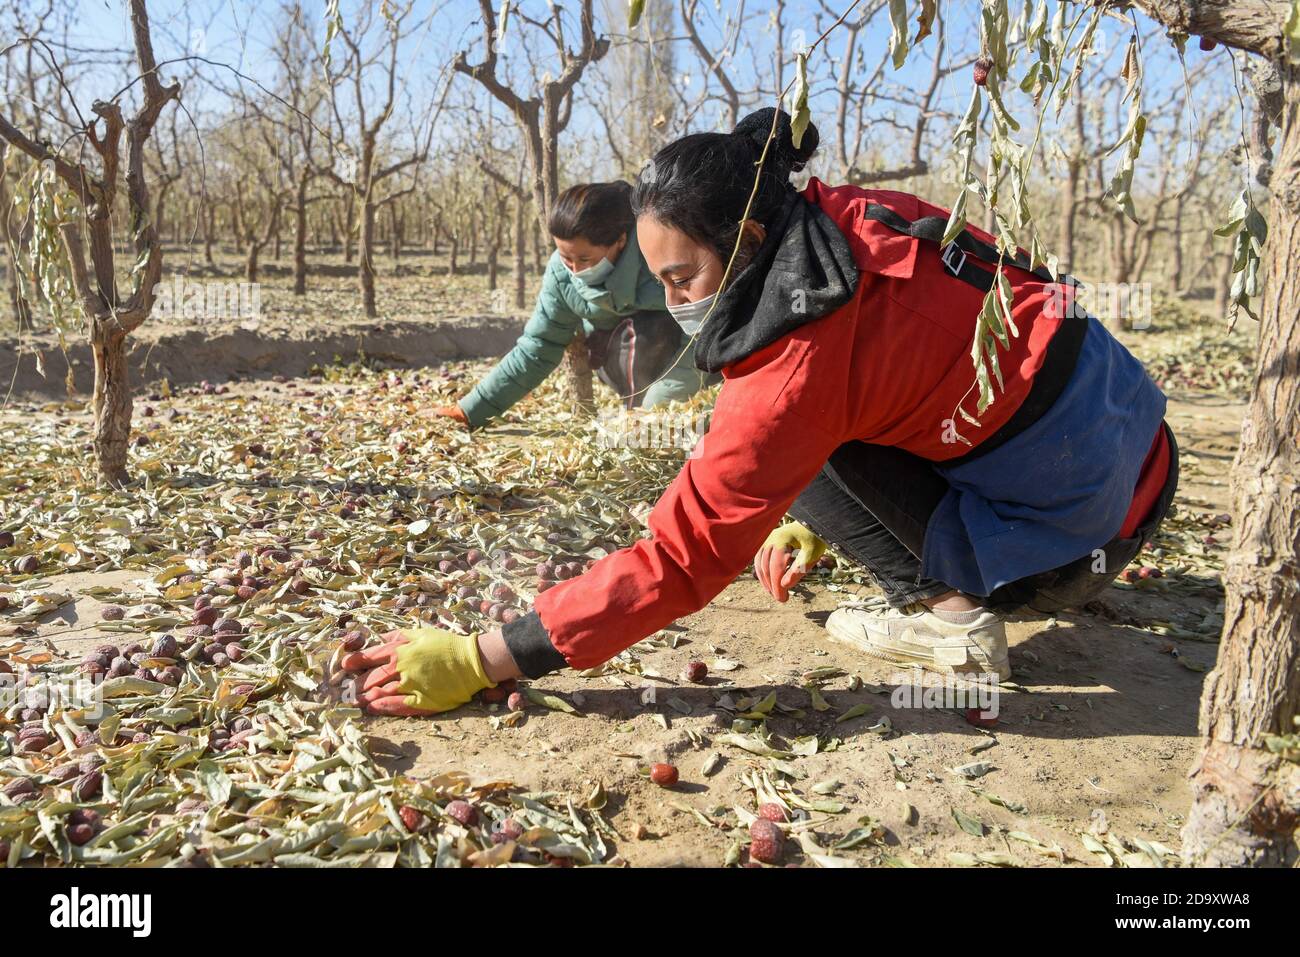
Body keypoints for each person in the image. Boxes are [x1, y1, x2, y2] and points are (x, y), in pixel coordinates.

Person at [342, 108, 1177, 715]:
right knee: (812, 458)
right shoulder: (857, 212)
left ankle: (952, 628)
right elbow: (966, 330)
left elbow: (681, 559)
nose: (675, 305)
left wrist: (487, 655)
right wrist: (826, 519)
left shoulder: (789, 372)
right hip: (1144, 459)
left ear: (743, 244)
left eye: (682, 281)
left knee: (797, 453)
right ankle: (938, 555)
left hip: (1073, 543)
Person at [432, 181, 715, 429]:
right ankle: (637, 418)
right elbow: (538, 346)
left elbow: (702, 330)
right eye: (566, 258)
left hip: (683, 352)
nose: (574, 270)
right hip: (615, 358)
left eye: (584, 259)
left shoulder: (654, 258)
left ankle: (644, 420)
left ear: (620, 240)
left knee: (645, 334)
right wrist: (472, 409)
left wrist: (659, 407)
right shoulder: (561, 273)